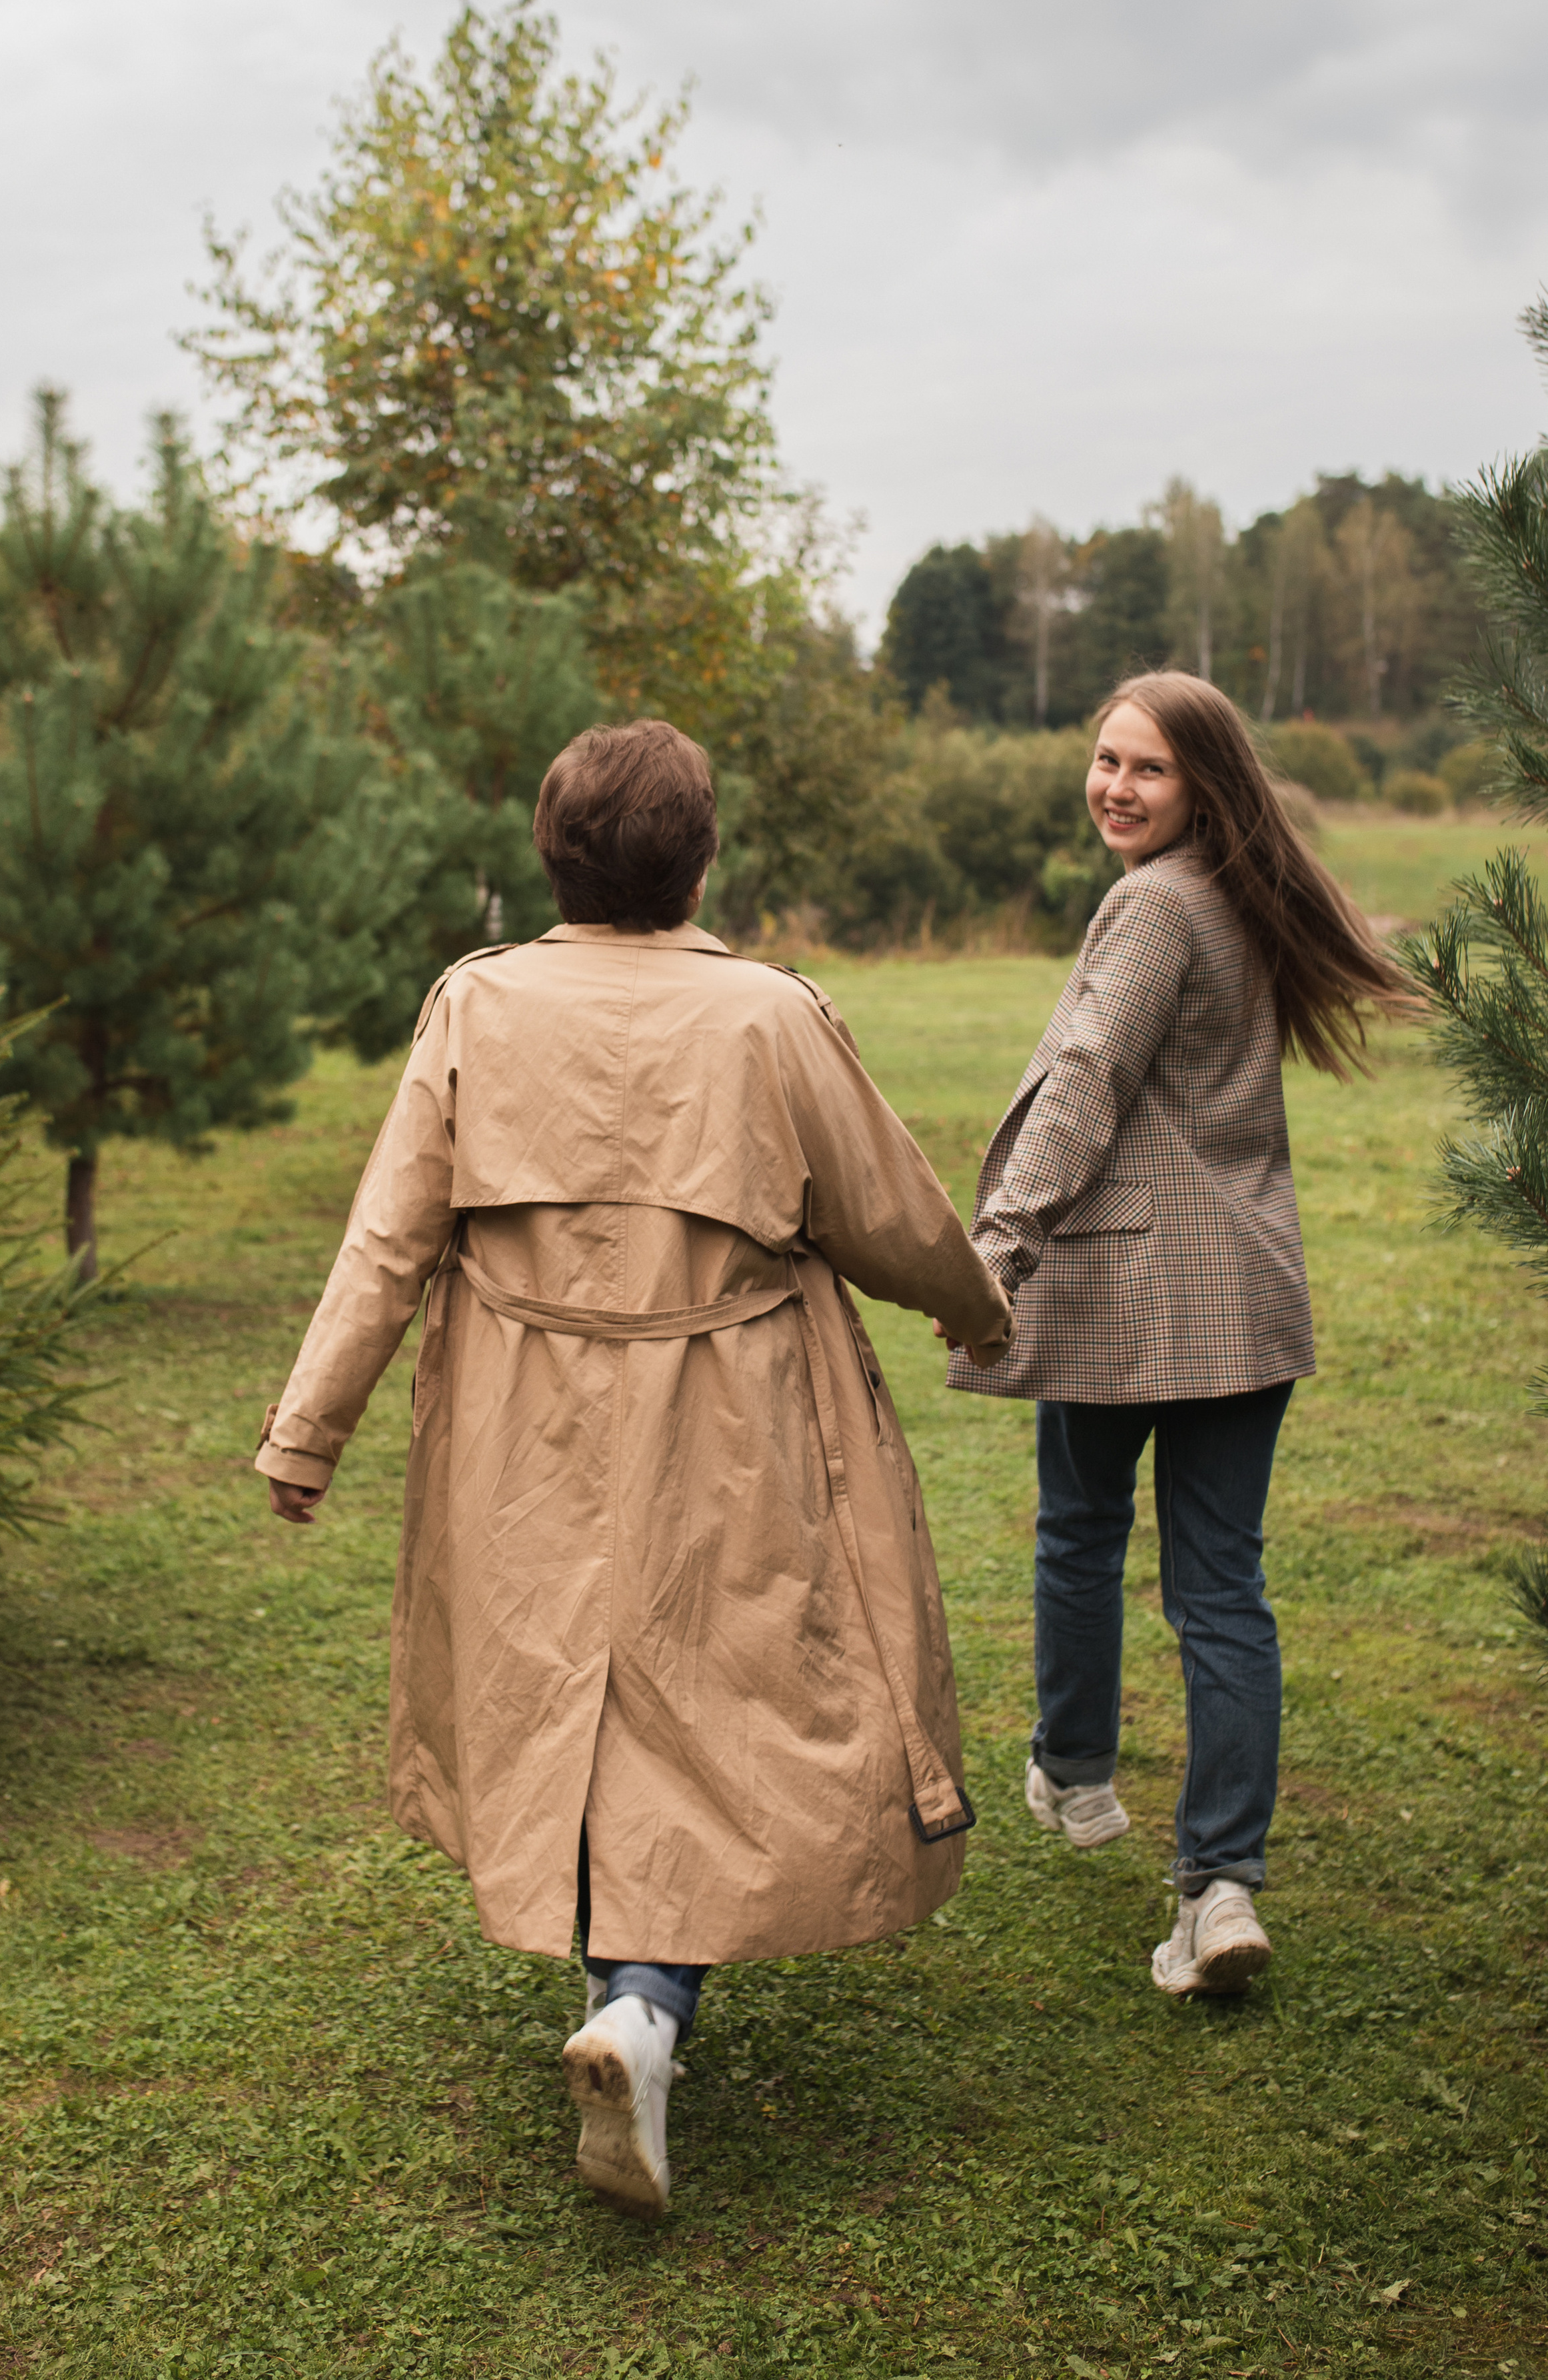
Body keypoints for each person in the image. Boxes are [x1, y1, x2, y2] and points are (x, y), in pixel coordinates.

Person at [256, 718, 1013, 2215]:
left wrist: (308, 1431)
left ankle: (632, 2001)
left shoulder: (475, 1004)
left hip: (519, 1431)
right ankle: (645, 2008)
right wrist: (975, 1309)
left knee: (574, 1698)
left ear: (552, 855)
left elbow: (388, 1236)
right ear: (701, 860)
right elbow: (887, 1212)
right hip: (731, 1424)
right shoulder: (767, 1016)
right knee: (712, 1697)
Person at [946, 672, 1408, 1997]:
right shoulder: (1235, 892)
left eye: (1145, 768)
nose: (1114, 786)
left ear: (1201, 784)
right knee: (1220, 1590)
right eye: (1105, 759)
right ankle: (1217, 1886)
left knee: (1080, 1531)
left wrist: (996, 1249)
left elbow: (1085, 1078)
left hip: (1127, 1291)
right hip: (1244, 1292)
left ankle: (1077, 1772)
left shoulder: (1154, 904)